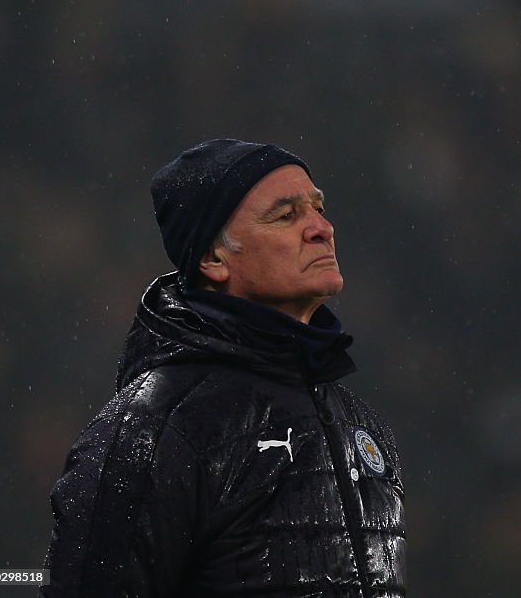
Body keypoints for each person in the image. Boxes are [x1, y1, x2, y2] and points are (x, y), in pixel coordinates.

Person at [41, 139, 407, 597]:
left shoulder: (361, 424)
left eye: (318, 208)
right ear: (213, 258)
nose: (322, 229)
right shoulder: (155, 429)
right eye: (286, 216)